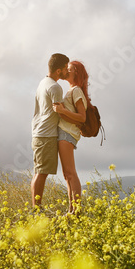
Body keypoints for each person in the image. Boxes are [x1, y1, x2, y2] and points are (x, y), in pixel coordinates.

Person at [31, 53, 69, 208]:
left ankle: (36, 207)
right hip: (46, 134)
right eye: (66, 68)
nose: (67, 71)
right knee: (41, 173)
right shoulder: (55, 87)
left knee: (39, 172)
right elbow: (60, 111)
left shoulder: (43, 83)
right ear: (58, 71)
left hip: (40, 132)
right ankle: (36, 209)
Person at [52, 60, 89, 215]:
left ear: (76, 73)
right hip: (65, 132)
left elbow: (82, 117)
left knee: (70, 172)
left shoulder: (77, 91)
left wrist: (62, 111)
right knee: (67, 174)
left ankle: (77, 210)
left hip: (67, 133)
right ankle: (72, 209)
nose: (67, 70)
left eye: (70, 69)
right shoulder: (71, 91)